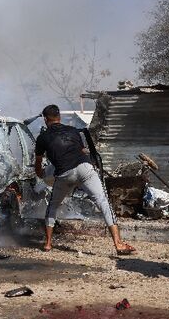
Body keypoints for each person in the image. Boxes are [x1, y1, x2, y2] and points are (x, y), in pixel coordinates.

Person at [34, 104, 135, 255]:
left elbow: (38, 163)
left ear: (45, 119)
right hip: (84, 168)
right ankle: (118, 244)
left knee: (53, 206)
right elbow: (81, 151)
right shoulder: (73, 131)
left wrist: (41, 174)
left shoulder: (42, 138)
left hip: (64, 174)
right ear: (59, 117)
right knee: (103, 203)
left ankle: (48, 244)